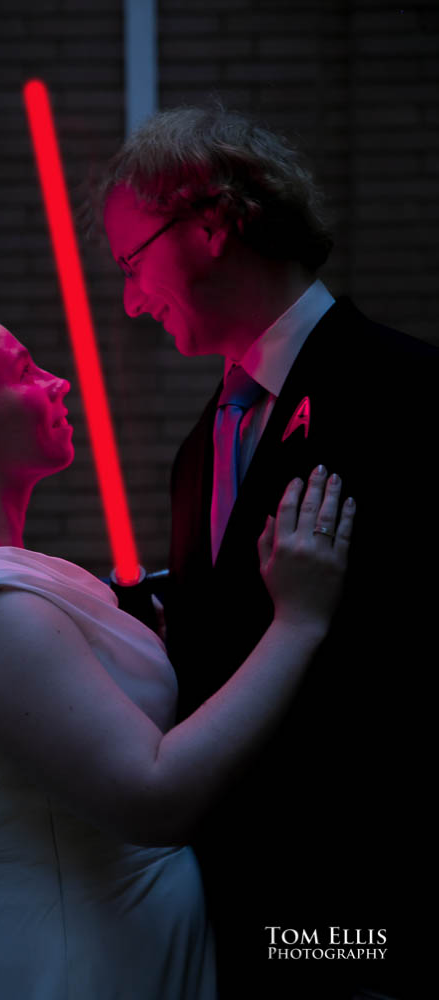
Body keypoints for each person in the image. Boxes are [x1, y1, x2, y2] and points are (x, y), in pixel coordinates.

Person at [0, 302, 355, 1000]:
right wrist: (297, 621)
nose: (59, 383)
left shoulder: (0, 581)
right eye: (23, 372)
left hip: (118, 944)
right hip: (68, 964)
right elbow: (155, 796)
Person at [101, 102, 438, 999]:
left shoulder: (406, 395)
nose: (131, 299)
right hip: (237, 909)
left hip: (365, 913)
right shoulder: (199, 447)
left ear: (210, 223)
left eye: (133, 262)